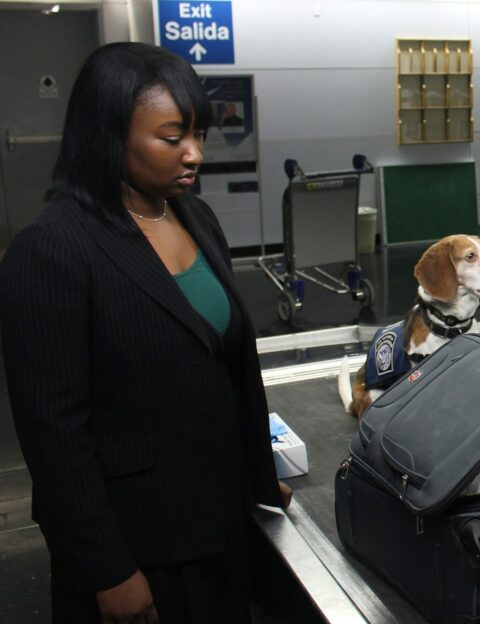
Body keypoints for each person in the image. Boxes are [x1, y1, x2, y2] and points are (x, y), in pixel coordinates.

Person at [0, 42, 289, 623]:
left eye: (199, 135)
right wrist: (107, 570)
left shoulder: (195, 217)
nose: (194, 154)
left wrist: (260, 480)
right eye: (172, 136)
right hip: (142, 549)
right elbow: (54, 435)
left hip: (222, 523)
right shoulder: (52, 249)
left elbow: (230, 370)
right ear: (108, 135)